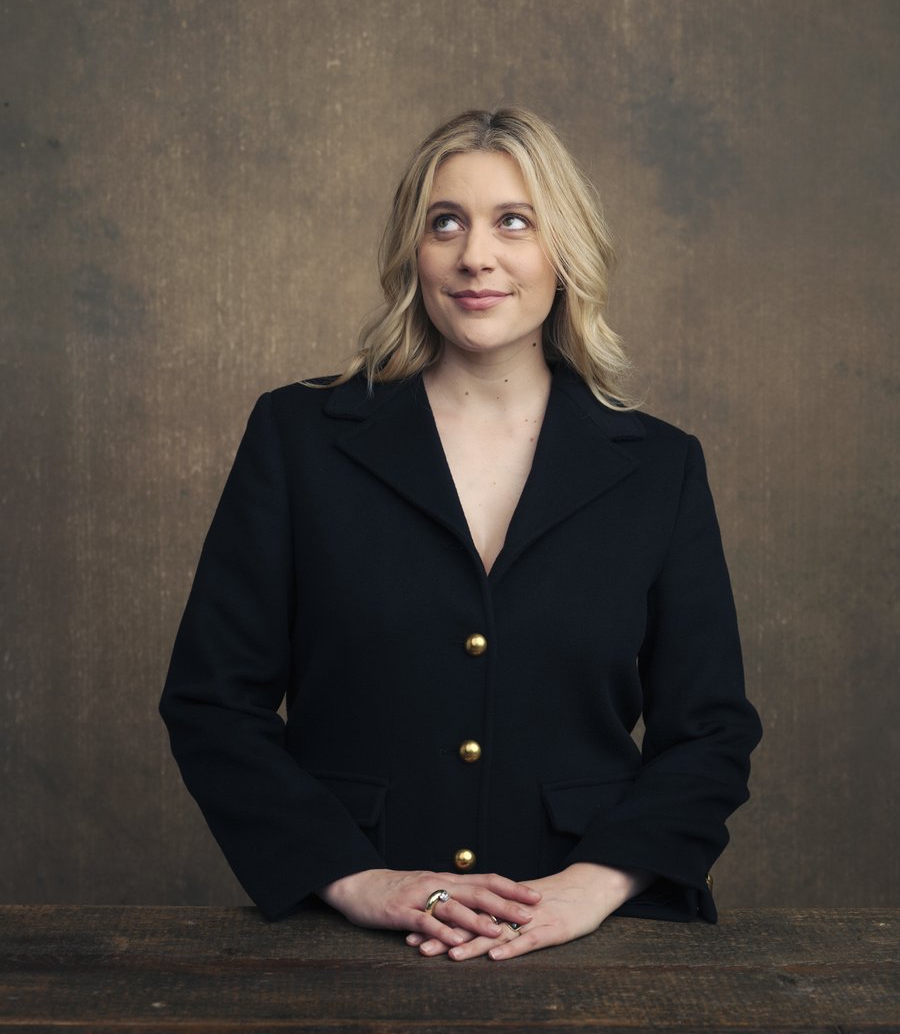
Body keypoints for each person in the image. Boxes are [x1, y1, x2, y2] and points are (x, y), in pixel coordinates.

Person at [160, 107, 762, 961]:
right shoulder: (299, 438)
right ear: (416, 252)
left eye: (514, 222)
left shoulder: (660, 466)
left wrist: (596, 885)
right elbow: (212, 703)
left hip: (591, 941)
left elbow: (709, 730)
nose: (476, 255)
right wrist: (355, 879)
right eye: (446, 223)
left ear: (565, 252)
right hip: (348, 938)